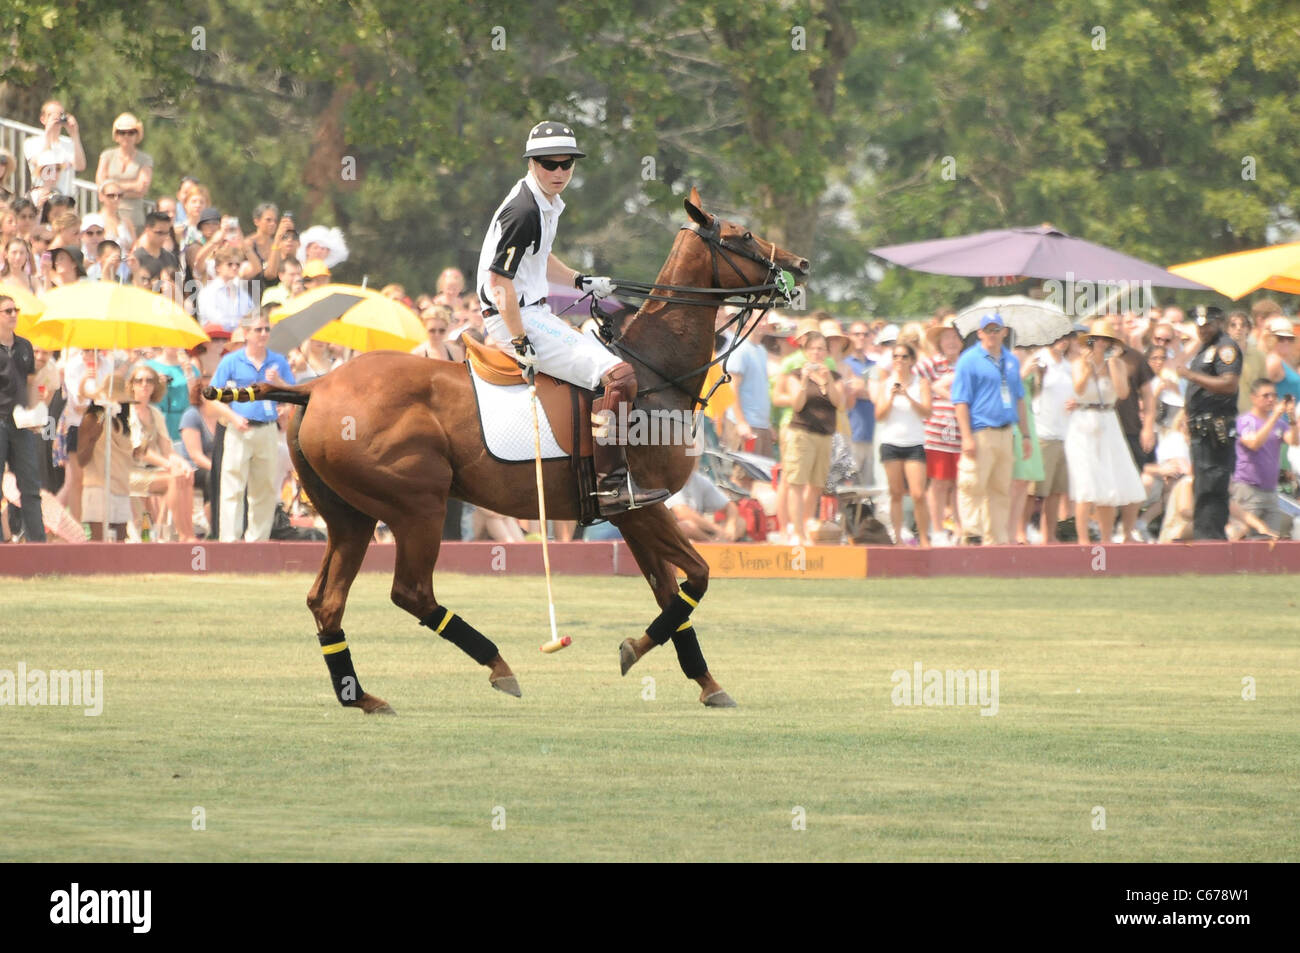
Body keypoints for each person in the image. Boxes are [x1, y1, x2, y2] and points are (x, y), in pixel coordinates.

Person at [476, 120, 666, 516]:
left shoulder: (546, 201)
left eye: (567, 164)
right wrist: (518, 340)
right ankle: (609, 486)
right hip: (514, 314)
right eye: (549, 164)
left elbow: (540, 259)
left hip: (529, 310)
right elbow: (498, 283)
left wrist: (580, 280)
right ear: (532, 163)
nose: (559, 171)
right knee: (620, 375)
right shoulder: (524, 210)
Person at [211, 311, 295, 541]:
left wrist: (279, 386)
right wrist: (232, 417)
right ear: (246, 333)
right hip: (239, 429)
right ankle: (229, 541)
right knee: (233, 487)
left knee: (265, 488)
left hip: (267, 429)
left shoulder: (277, 361)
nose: (264, 334)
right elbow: (212, 396)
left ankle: (257, 541)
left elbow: (293, 393)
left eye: (267, 329)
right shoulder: (231, 361)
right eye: (258, 329)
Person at [951, 314, 1030, 545]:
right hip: (981, 430)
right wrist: (966, 436)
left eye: (997, 330)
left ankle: (996, 537)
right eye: (988, 330)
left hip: (1007, 431)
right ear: (980, 333)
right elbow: (960, 401)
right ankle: (972, 533)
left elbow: (1020, 399)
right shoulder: (969, 359)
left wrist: (1025, 435)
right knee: (973, 484)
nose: (992, 334)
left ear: (1004, 332)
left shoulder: (1011, 360)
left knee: (1001, 488)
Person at [1065, 319, 1146, 543]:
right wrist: (1091, 367)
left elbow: (1122, 393)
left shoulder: (1118, 364)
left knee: (1109, 482)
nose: (1101, 343)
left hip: (1108, 420)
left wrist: (1111, 365)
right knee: (1086, 483)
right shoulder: (1079, 362)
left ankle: (1106, 539)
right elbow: (1078, 388)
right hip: (1083, 421)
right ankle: (1083, 540)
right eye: (1097, 339)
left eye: (1106, 340)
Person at [1172, 306, 1241, 539]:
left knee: (1212, 485)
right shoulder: (1204, 348)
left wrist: (1190, 376)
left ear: (1219, 323)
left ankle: (1211, 540)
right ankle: (1203, 538)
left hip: (1215, 428)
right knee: (1202, 486)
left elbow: (1229, 384)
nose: (1203, 330)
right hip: (1200, 428)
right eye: (1200, 326)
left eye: (1208, 325)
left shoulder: (1225, 348)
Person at [776, 332, 845, 545]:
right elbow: (797, 404)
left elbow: (839, 402)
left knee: (816, 484)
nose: (817, 353)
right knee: (796, 482)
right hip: (801, 432)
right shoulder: (794, 374)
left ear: (826, 353)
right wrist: (806, 380)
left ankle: (805, 525)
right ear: (805, 352)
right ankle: (796, 532)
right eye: (813, 349)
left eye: (821, 349)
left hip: (824, 434)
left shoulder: (834, 375)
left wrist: (828, 380)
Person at [872, 341, 931, 547]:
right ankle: (897, 539)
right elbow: (879, 415)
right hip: (891, 442)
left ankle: (924, 538)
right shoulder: (885, 383)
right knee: (896, 493)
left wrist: (907, 396)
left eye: (904, 356)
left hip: (914, 443)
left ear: (912, 360)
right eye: (895, 356)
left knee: (918, 494)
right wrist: (891, 397)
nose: (899, 360)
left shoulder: (920, 383)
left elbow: (927, 412)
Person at [0, 294, 46, 541]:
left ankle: (39, 545)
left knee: (30, 484)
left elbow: (31, 383)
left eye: (15, 310)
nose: (14, 315)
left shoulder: (25, 346)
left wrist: (33, 414)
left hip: (20, 423)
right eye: (7, 311)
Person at [1232, 379, 1298, 536]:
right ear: (1253, 398)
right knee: (1246, 539)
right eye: (1266, 395)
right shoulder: (1246, 421)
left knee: (1270, 541)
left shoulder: (1279, 424)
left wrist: (1291, 417)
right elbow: (1253, 443)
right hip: (1249, 490)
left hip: (1270, 491)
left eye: (1274, 396)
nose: (1271, 399)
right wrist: (1274, 416)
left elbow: (1294, 441)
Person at [917, 317, 963, 544]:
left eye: (956, 336)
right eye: (947, 337)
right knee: (939, 482)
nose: (952, 341)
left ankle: (961, 529)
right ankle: (937, 530)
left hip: (964, 433)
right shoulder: (929, 365)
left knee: (961, 483)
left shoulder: (967, 363)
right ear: (939, 341)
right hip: (937, 432)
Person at [1031, 330, 1076, 543]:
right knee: (1033, 490)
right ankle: (1021, 532)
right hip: (1042, 432)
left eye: (1065, 337)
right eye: (1058, 336)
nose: (1061, 341)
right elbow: (1027, 390)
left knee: (1056, 491)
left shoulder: (1068, 367)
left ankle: (1048, 535)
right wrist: (1036, 375)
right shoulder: (1039, 360)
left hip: (1064, 434)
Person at [721, 310, 775, 457]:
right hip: (746, 426)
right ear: (748, 322)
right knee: (742, 477)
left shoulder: (761, 351)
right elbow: (732, 389)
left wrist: (767, 424)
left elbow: (759, 390)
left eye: (766, 319)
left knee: (762, 475)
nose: (765, 323)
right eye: (761, 319)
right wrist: (741, 422)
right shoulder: (740, 349)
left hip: (760, 425)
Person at [94, 113, 152, 231]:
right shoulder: (107, 155)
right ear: (116, 135)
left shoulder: (145, 159)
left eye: (131, 132)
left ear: (137, 135)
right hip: (108, 219)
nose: (126, 136)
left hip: (134, 218)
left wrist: (112, 189)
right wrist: (131, 187)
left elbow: (142, 188)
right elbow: (100, 184)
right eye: (122, 132)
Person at [22, 100, 86, 197]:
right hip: (41, 197)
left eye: (60, 115)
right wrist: (48, 135)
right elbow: (38, 162)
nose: (56, 118)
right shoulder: (32, 142)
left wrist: (74, 134)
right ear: (43, 119)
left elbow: (80, 166)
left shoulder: (69, 144)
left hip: (65, 198)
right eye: (51, 115)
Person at [841, 320, 876, 486]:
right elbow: (852, 389)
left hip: (873, 434)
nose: (861, 337)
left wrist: (863, 389)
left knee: (869, 489)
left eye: (865, 334)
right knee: (847, 486)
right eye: (857, 334)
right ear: (849, 336)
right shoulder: (844, 364)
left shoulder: (876, 365)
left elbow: (880, 393)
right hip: (851, 433)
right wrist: (870, 390)